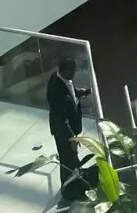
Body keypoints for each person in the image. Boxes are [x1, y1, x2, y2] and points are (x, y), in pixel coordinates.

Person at [49, 57, 92, 206]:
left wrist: (82, 93)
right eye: (72, 72)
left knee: (71, 158)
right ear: (64, 71)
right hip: (63, 132)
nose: (74, 75)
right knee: (67, 159)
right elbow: (62, 119)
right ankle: (67, 191)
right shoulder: (55, 88)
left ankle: (73, 185)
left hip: (70, 130)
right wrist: (72, 138)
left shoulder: (64, 79)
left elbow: (71, 92)